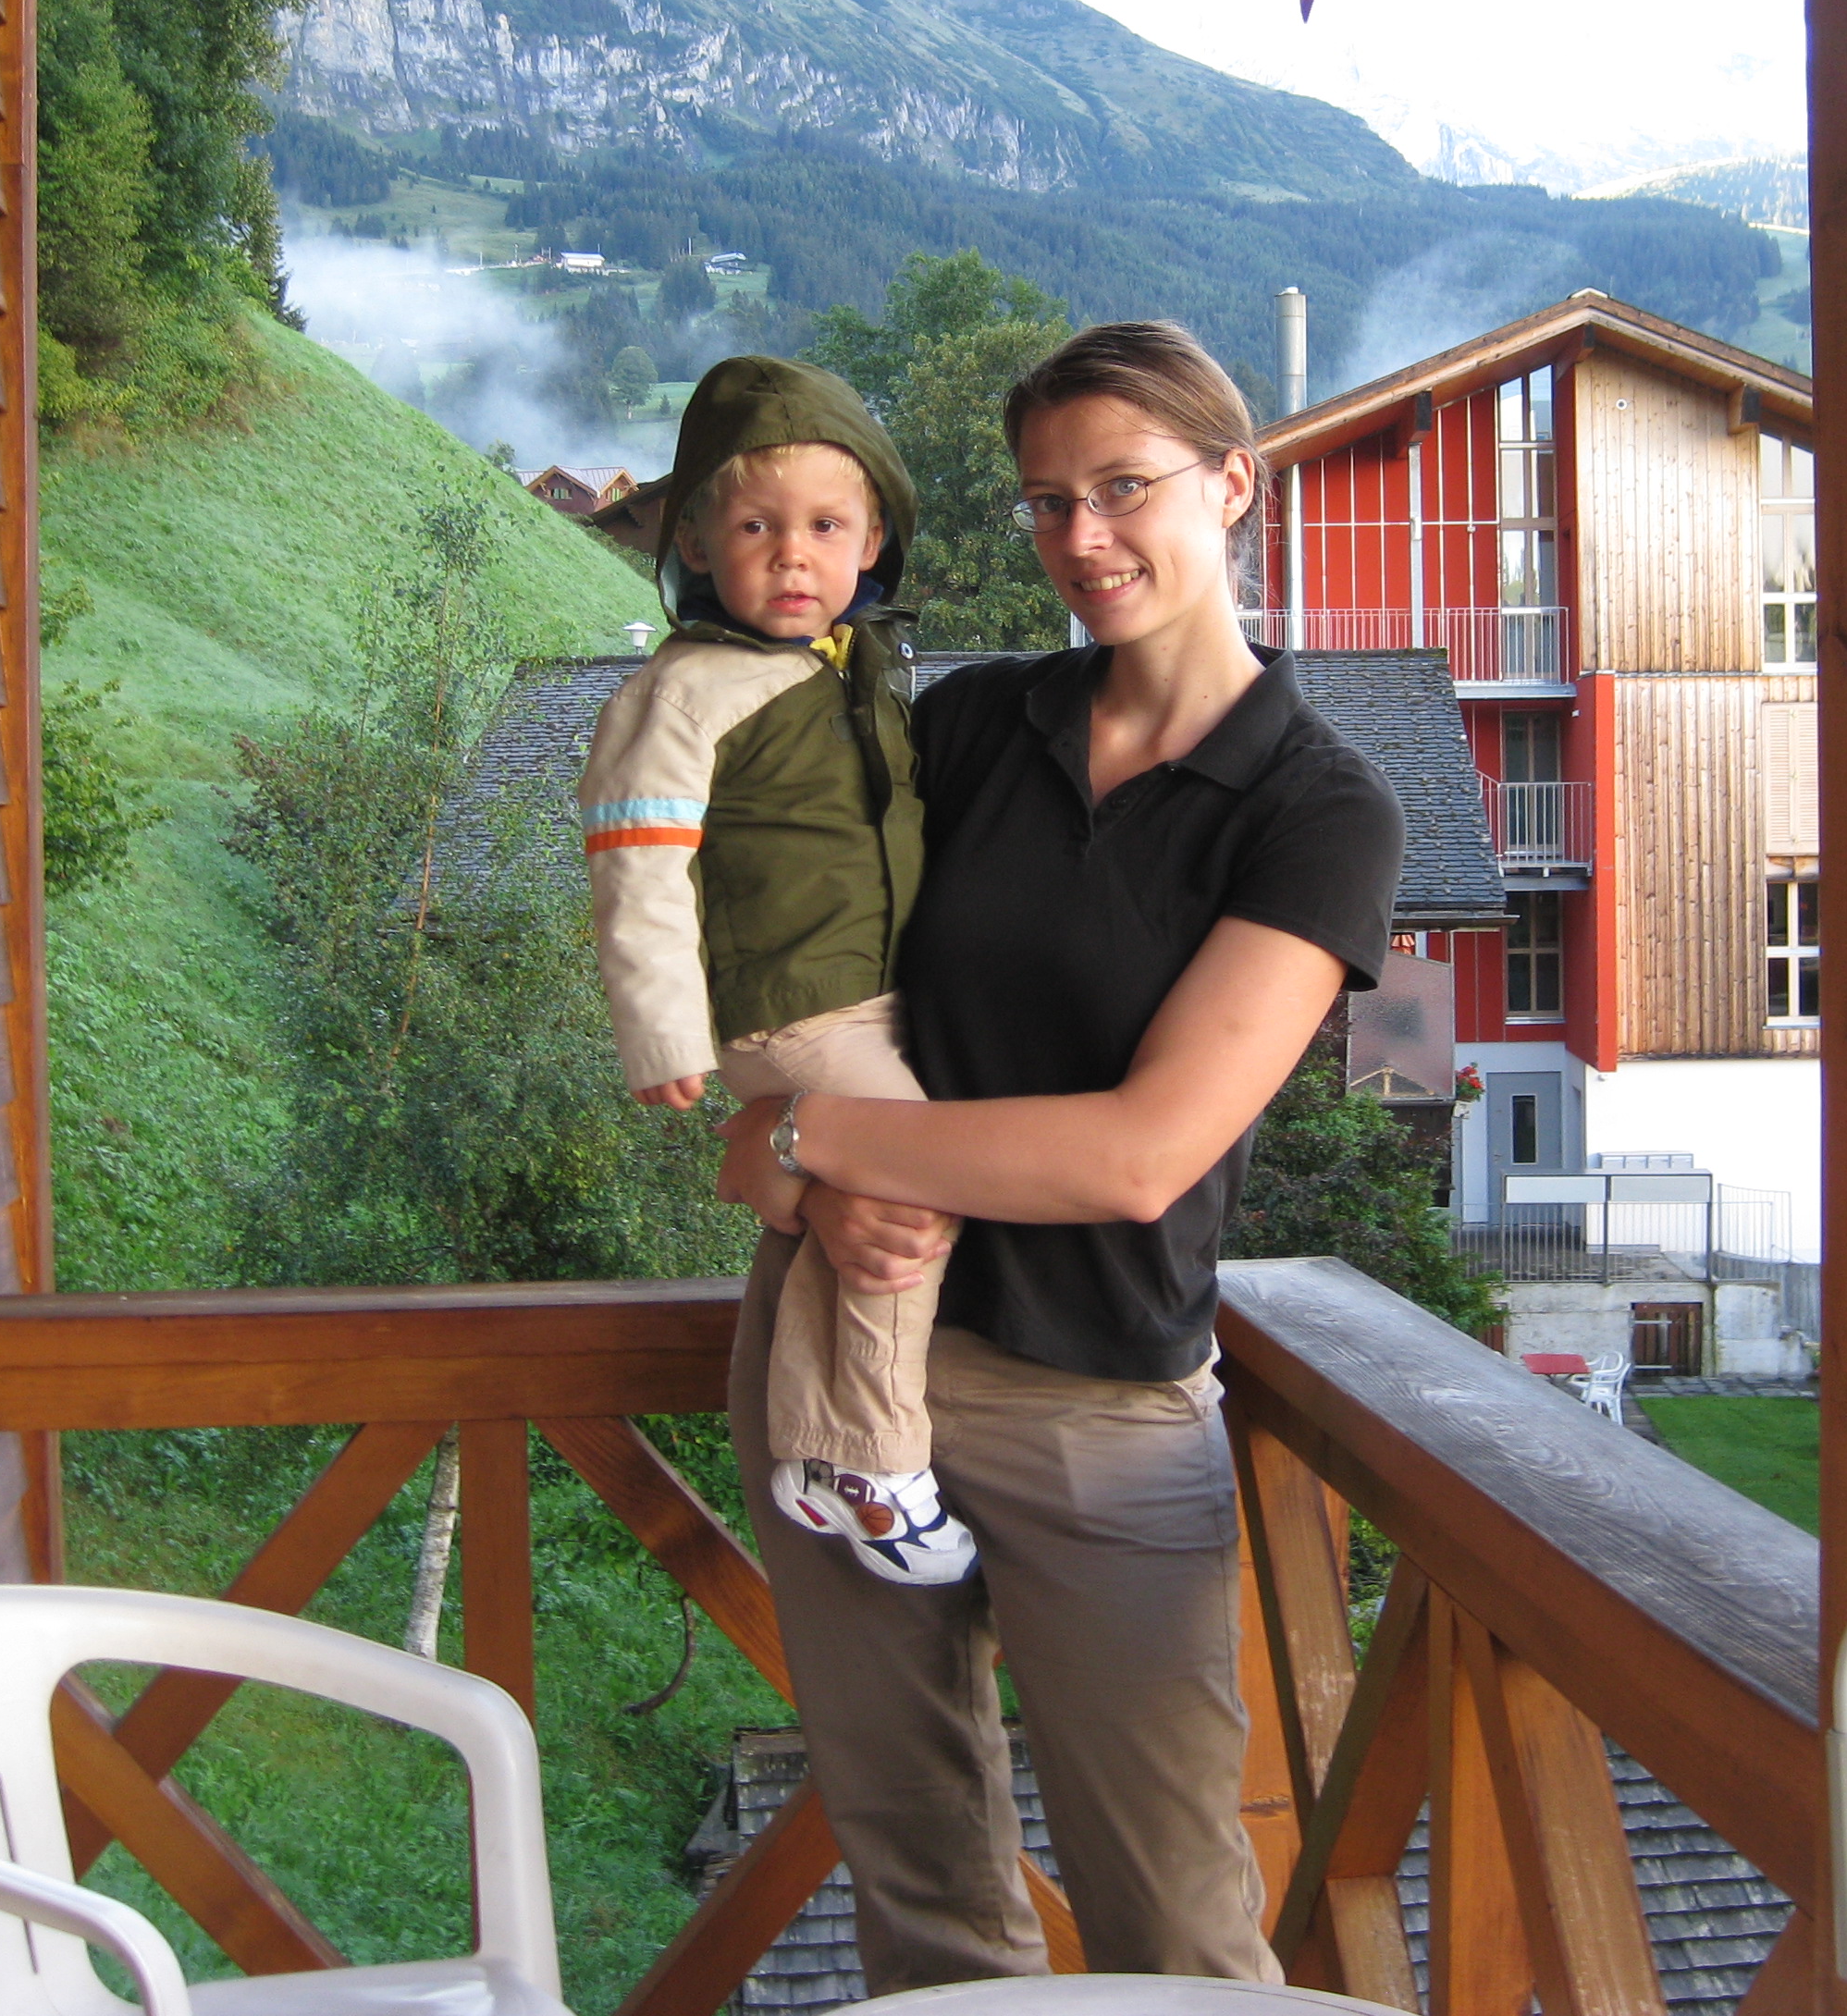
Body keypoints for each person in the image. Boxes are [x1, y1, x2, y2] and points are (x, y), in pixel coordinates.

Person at [714, 321, 1407, 1990]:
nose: (1080, 538)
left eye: (1123, 488)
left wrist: (830, 1145)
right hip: (837, 1350)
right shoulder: (967, 729)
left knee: (1176, 1923)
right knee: (923, 1886)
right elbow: (791, 1001)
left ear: (1232, 484)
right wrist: (790, 1171)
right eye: (1044, 502)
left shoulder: (1317, 809)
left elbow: (1140, 1155)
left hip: (1100, 1406)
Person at [578, 355, 976, 1584]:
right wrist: (662, 1037)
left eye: (825, 528)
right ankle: (876, 1460)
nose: (793, 557)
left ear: (873, 541)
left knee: (850, 1221)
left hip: (859, 998)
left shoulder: (851, 671)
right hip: (790, 1003)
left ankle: (811, 1452)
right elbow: (637, 873)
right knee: (917, 1188)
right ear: (698, 543)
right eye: (757, 528)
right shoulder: (682, 691)